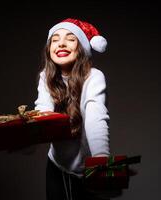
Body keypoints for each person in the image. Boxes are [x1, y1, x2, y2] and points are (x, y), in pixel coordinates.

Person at [34, 18, 110, 200]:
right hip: (57, 165)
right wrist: (23, 137)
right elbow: (43, 113)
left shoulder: (94, 77)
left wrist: (102, 159)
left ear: (82, 48)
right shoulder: (46, 77)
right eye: (55, 39)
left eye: (70, 38)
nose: (61, 43)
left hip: (90, 168)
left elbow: (95, 118)